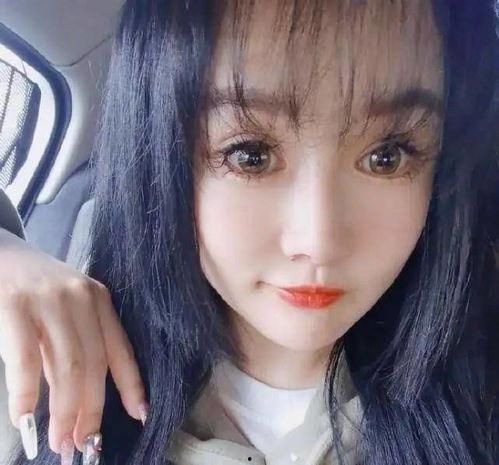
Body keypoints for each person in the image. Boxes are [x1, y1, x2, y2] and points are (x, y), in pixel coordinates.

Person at [0, 0, 498, 464]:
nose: (318, 242)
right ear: (163, 155)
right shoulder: (48, 363)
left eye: (386, 157)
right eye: (250, 156)